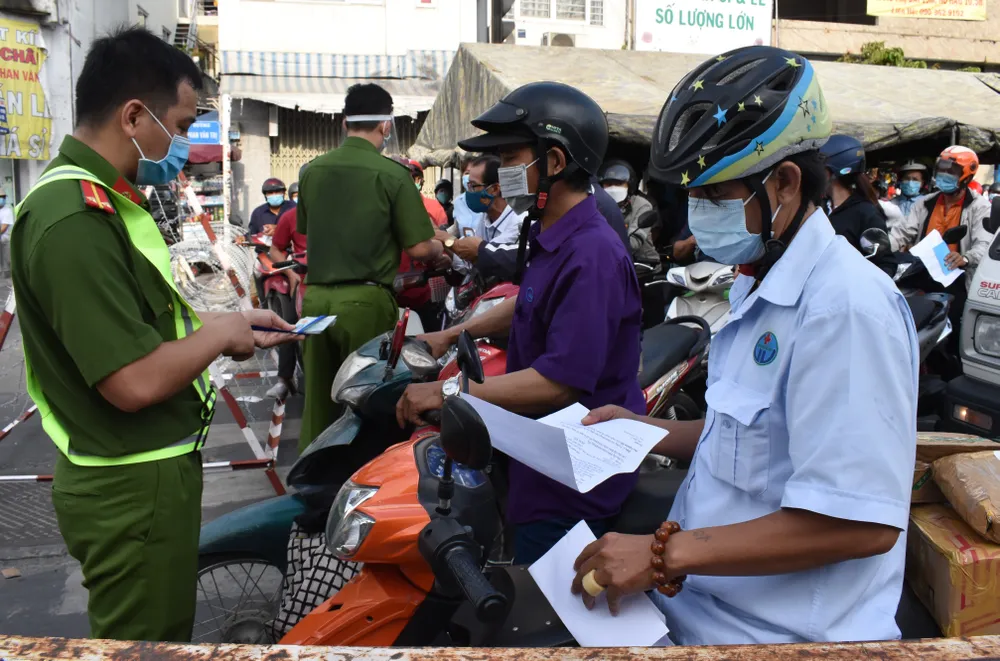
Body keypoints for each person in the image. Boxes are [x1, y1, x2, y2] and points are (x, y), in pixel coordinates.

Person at [570, 46, 918, 646]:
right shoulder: (761, 283)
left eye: (714, 197)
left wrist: (661, 557)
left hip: (776, 639)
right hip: (699, 611)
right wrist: (640, 429)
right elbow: (750, 439)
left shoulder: (845, 308)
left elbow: (860, 523)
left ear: (784, 183)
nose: (698, 215)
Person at [9, 26, 297, 642]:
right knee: (147, 646)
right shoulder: (72, 220)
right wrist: (219, 335)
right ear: (135, 116)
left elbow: (140, 331)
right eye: (182, 124)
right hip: (131, 483)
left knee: (159, 635)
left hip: (147, 471)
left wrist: (232, 323)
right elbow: (133, 382)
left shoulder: (108, 203)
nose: (187, 144)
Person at [396, 82, 644, 565]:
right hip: (538, 451)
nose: (502, 172)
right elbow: (532, 302)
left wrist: (450, 393)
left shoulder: (591, 252)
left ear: (553, 162)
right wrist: (456, 332)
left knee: (545, 620)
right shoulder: (550, 231)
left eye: (510, 159)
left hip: (572, 474)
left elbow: (559, 383)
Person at [296, 83, 445, 452]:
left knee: (318, 401)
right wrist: (443, 246)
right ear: (386, 126)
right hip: (364, 303)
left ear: (345, 122)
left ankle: (309, 485)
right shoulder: (391, 175)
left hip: (315, 302)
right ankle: (363, 486)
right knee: (370, 402)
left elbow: (304, 229)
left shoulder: (311, 171)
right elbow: (418, 246)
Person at [890, 146, 993, 277]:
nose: (944, 175)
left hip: (958, 276)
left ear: (967, 177)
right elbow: (902, 232)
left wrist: (966, 258)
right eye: (942, 170)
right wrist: (884, 247)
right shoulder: (925, 203)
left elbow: (984, 244)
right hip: (921, 271)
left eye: (951, 171)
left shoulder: (980, 207)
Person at [441, 154, 525, 281]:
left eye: (473, 186)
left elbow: (485, 256)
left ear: (495, 189)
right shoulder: (485, 218)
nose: (468, 192)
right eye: (467, 186)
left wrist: (447, 240)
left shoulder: (519, 223)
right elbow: (470, 266)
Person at [267, 182, 309, 400]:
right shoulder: (290, 216)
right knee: (290, 325)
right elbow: (276, 249)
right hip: (303, 279)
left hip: (341, 281)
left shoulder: (344, 212)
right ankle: (284, 379)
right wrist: (291, 274)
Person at [820, 134, 888, 253]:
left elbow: (883, 263)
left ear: (832, 171)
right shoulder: (818, 207)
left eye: (820, 166)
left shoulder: (867, 214)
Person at [599, 159, 659, 267]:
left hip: (642, 264)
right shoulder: (597, 205)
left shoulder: (642, 205)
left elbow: (633, 243)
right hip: (609, 262)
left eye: (619, 183)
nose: (613, 188)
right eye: (608, 184)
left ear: (629, 185)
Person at [407, 159, 449, 227]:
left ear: (419, 181)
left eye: (407, 179)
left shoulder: (435, 207)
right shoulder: (392, 206)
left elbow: (444, 235)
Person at [0, 187, 14, 274]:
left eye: (3, 197)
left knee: (8, 261)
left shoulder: (7, 211)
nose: (2, 199)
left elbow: (4, 227)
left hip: (5, 240)